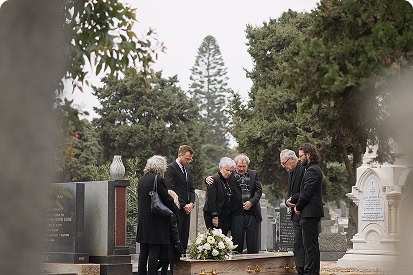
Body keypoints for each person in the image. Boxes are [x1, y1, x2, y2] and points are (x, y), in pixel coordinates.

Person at [206, 153, 262, 253]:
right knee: (236, 246)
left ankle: (254, 267)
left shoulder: (254, 174)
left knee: (253, 245)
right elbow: (217, 179)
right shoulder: (229, 175)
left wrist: (251, 202)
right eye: (239, 166)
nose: (241, 169)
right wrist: (206, 179)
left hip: (253, 214)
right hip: (236, 214)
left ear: (247, 166)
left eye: (244, 166)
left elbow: (258, 191)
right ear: (235, 165)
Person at [136, 155, 179, 275]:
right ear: (161, 167)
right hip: (156, 223)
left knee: (143, 255)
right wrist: (175, 210)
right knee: (154, 255)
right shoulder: (158, 179)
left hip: (143, 222)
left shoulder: (142, 179)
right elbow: (166, 198)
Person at [294, 144, 324, 275]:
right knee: (310, 246)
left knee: (310, 247)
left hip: (309, 213)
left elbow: (307, 192)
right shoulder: (311, 169)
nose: (299, 159)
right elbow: (304, 191)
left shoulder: (312, 170)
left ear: (308, 155)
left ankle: (311, 272)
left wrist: (298, 207)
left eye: (301, 156)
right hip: (309, 213)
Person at [164, 145, 196, 252]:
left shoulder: (188, 170)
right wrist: (183, 205)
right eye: (187, 159)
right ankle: (175, 265)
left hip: (187, 210)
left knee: (184, 238)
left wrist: (191, 203)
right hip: (177, 210)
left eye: (190, 160)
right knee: (175, 240)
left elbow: (191, 189)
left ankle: (183, 263)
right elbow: (170, 190)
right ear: (179, 155)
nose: (188, 161)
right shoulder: (170, 169)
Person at [280, 149, 306, 275]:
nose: (283, 166)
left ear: (292, 159)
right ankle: (300, 269)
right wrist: (287, 201)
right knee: (297, 243)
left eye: (284, 163)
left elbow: (305, 190)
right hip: (295, 213)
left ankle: (307, 269)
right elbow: (290, 191)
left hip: (305, 211)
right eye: (282, 164)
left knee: (306, 243)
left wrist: (293, 200)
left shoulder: (304, 169)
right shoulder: (290, 171)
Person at [203, 157, 236, 235]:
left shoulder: (228, 180)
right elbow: (211, 200)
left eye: (231, 171)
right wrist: (214, 216)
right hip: (213, 215)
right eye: (227, 170)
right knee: (215, 241)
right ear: (221, 167)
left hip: (225, 216)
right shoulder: (213, 180)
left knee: (223, 241)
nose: (229, 173)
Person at [158, 190, 184, 275]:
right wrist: (178, 244)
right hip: (170, 244)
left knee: (163, 262)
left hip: (162, 242)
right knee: (167, 263)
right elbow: (174, 231)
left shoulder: (161, 212)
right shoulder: (172, 214)